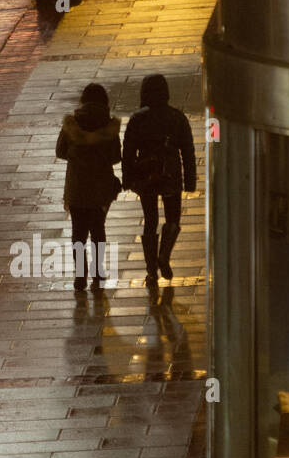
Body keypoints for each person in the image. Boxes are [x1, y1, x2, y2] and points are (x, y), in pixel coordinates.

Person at [122, 73, 196, 284]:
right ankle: (164, 255)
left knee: (150, 220)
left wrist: (128, 178)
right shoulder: (177, 117)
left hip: (146, 175)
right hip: (171, 174)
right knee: (173, 218)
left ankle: (151, 271)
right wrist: (190, 181)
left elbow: (128, 151)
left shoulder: (138, 119)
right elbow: (188, 152)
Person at [55, 83, 121, 293]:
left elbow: (60, 151)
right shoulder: (109, 127)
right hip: (100, 189)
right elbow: (115, 157)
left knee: (78, 233)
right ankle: (98, 272)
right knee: (98, 230)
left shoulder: (72, 124)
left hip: (77, 187)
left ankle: (80, 276)